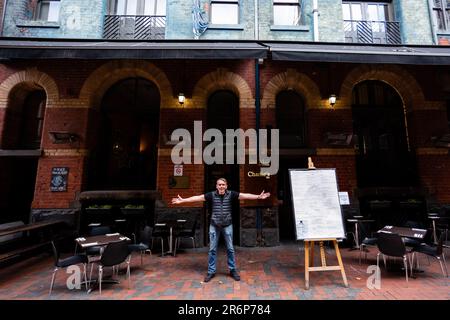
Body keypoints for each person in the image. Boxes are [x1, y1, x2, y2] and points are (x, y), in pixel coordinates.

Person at [171, 177, 270, 282]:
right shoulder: (211, 195)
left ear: (226, 186)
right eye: (219, 184)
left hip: (227, 225)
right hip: (214, 225)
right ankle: (211, 271)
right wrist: (183, 201)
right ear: (216, 186)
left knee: (230, 249)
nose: (221, 186)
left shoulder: (231, 194)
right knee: (212, 249)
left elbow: (244, 195)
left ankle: (232, 270)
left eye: (223, 184)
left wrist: (258, 196)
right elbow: (198, 198)